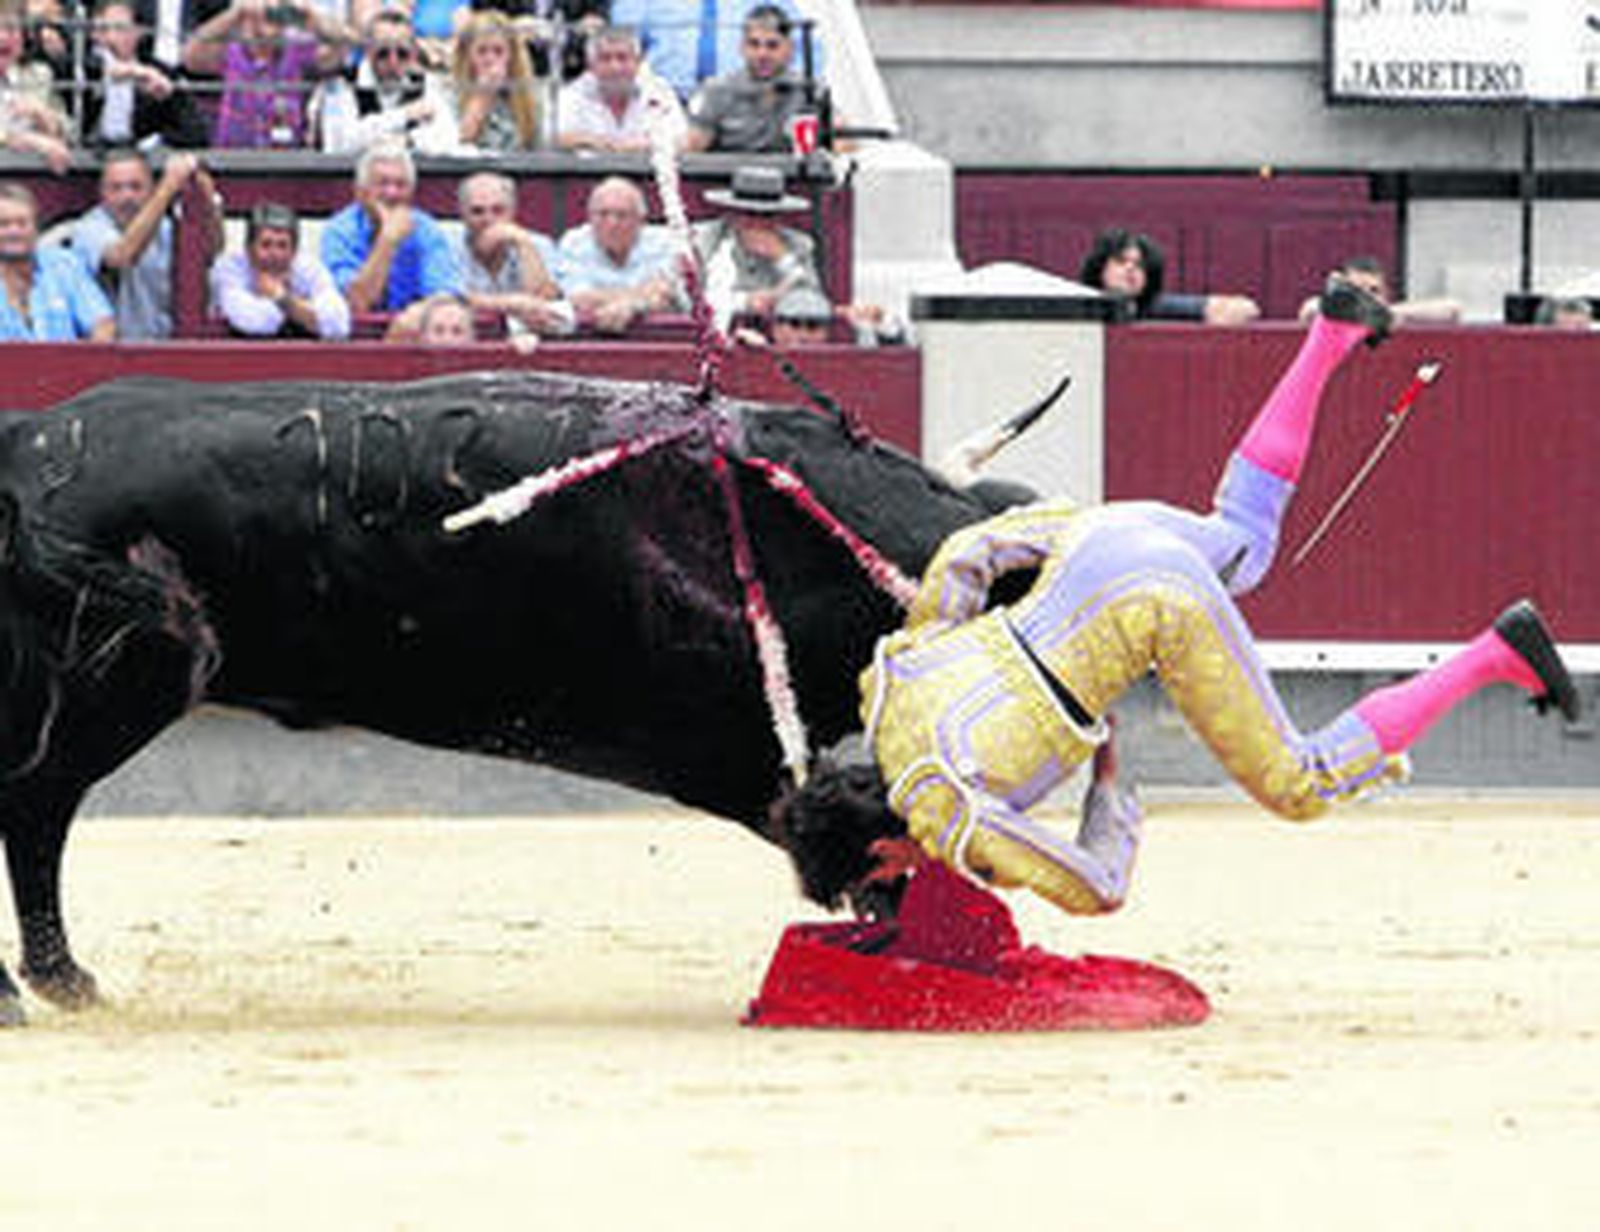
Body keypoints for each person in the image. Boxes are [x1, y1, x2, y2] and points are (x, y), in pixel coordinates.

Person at [774, 278, 1581, 918]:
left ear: (879, 856)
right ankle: (1330, 336)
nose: (889, 885)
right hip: (1094, 544)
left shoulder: (949, 816)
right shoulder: (884, 694)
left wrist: (1108, 776)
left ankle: (1494, 655)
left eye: (871, 883)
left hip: (1151, 605)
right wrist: (1058, 532)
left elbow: (1096, 889)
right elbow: (963, 560)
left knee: (1299, 785)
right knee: (1244, 540)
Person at [72, 148, 223, 341]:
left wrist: (208, 203)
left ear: (150, 188)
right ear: (101, 193)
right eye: (116, 188)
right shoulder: (89, 228)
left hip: (165, 346)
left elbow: (212, 248)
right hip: (113, 351)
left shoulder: (165, 227)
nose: (127, 196)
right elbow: (122, 255)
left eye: (136, 187)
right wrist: (168, 187)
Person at [182, 0, 355, 148]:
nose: (272, 19)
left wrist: (309, 15)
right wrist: (235, 14)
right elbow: (190, 57)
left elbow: (345, 43)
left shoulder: (297, 49)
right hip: (233, 157)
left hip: (287, 157)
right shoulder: (231, 50)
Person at [320, 140, 461, 315]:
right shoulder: (339, 231)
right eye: (382, 183)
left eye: (400, 185)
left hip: (415, 333)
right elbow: (355, 304)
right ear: (360, 192)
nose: (392, 193)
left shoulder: (427, 229)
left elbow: (444, 296)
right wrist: (388, 241)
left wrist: (414, 315)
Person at [556, 174, 684, 333]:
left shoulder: (664, 242)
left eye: (622, 215)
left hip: (656, 337)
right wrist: (638, 300)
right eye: (603, 214)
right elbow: (579, 299)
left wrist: (630, 306)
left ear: (641, 220)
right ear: (589, 217)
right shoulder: (574, 242)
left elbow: (662, 295)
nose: (612, 223)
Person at [692, 164, 820, 320]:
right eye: (749, 214)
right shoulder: (704, 239)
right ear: (733, 214)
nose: (757, 223)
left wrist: (782, 257)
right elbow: (686, 300)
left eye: (767, 215)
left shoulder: (798, 244)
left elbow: (812, 303)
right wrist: (745, 302)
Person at [610, 0, 807, 101]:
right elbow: (620, 44)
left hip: (744, 103)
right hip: (669, 104)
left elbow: (802, 44)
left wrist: (781, 94)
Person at [454, 170, 573, 337]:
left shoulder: (537, 244)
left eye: (498, 210)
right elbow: (448, 296)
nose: (488, 219)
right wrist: (511, 303)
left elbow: (545, 300)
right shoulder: (447, 241)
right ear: (462, 213)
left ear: (512, 211)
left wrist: (523, 243)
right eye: (477, 211)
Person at [209, 201, 350, 339]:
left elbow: (338, 324)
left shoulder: (307, 268)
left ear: (294, 251)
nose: (274, 254)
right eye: (266, 245)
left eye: (282, 245)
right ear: (249, 249)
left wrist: (281, 297)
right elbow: (257, 323)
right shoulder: (229, 268)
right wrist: (303, 309)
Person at [682, 3, 809, 153]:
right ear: (742, 47)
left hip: (790, 174)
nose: (762, 54)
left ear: (790, 49)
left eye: (772, 45)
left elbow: (839, 146)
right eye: (754, 44)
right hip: (729, 173)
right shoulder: (718, 90)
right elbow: (691, 150)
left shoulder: (809, 92)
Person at [83, 0, 210, 149]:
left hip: (140, 159)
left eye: (120, 29)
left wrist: (169, 97)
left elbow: (196, 134)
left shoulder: (158, 72)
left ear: (138, 32)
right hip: (89, 159)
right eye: (103, 30)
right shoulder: (83, 69)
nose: (110, 38)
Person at [414, 8, 541, 153]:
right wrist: (482, 98)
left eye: (498, 51)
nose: (490, 59)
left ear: (512, 57)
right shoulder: (446, 94)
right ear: (467, 56)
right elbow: (452, 146)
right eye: (482, 51)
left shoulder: (530, 97)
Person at [0, 184, 116, 340]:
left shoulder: (64, 264)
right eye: (4, 224)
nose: (14, 232)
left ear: (36, 228)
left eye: (22, 223)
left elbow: (103, 323)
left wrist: (91, 357)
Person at [1080, 227, 1260, 326]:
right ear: (1100, 267)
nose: (1130, 269)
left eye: (1140, 265)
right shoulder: (1077, 303)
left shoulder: (1155, 306)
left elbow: (1247, 309)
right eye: (1121, 261)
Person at [311, 9, 434, 154]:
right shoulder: (342, 83)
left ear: (414, 53)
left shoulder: (426, 83)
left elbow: (446, 140)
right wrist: (403, 116)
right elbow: (337, 144)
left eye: (402, 53)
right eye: (383, 53)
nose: (393, 62)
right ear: (368, 50)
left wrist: (408, 140)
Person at [554, 24, 681, 153]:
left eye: (622, 58)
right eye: (605, 58)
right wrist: (602, 143)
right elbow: (557, 138)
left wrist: (643, 144)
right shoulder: (572, 94)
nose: (615, 67)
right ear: (591, 65)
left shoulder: (658, 91)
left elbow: (683, 139)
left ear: (638, 62)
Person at [0, 0, 69, 174]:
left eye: (11, 29)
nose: (3, 37)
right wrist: (20, 139)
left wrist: (43, 116)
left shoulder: (39, 74)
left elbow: (67, 132)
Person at [1296, 254, 1461, 326]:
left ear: (1386, 293)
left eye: (1373, 290)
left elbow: (1453, 309)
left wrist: (1390, 312)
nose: (1366, 295)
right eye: (1358, 289)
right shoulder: (1331, 315)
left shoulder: (1393, 316)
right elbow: (1309, 308)